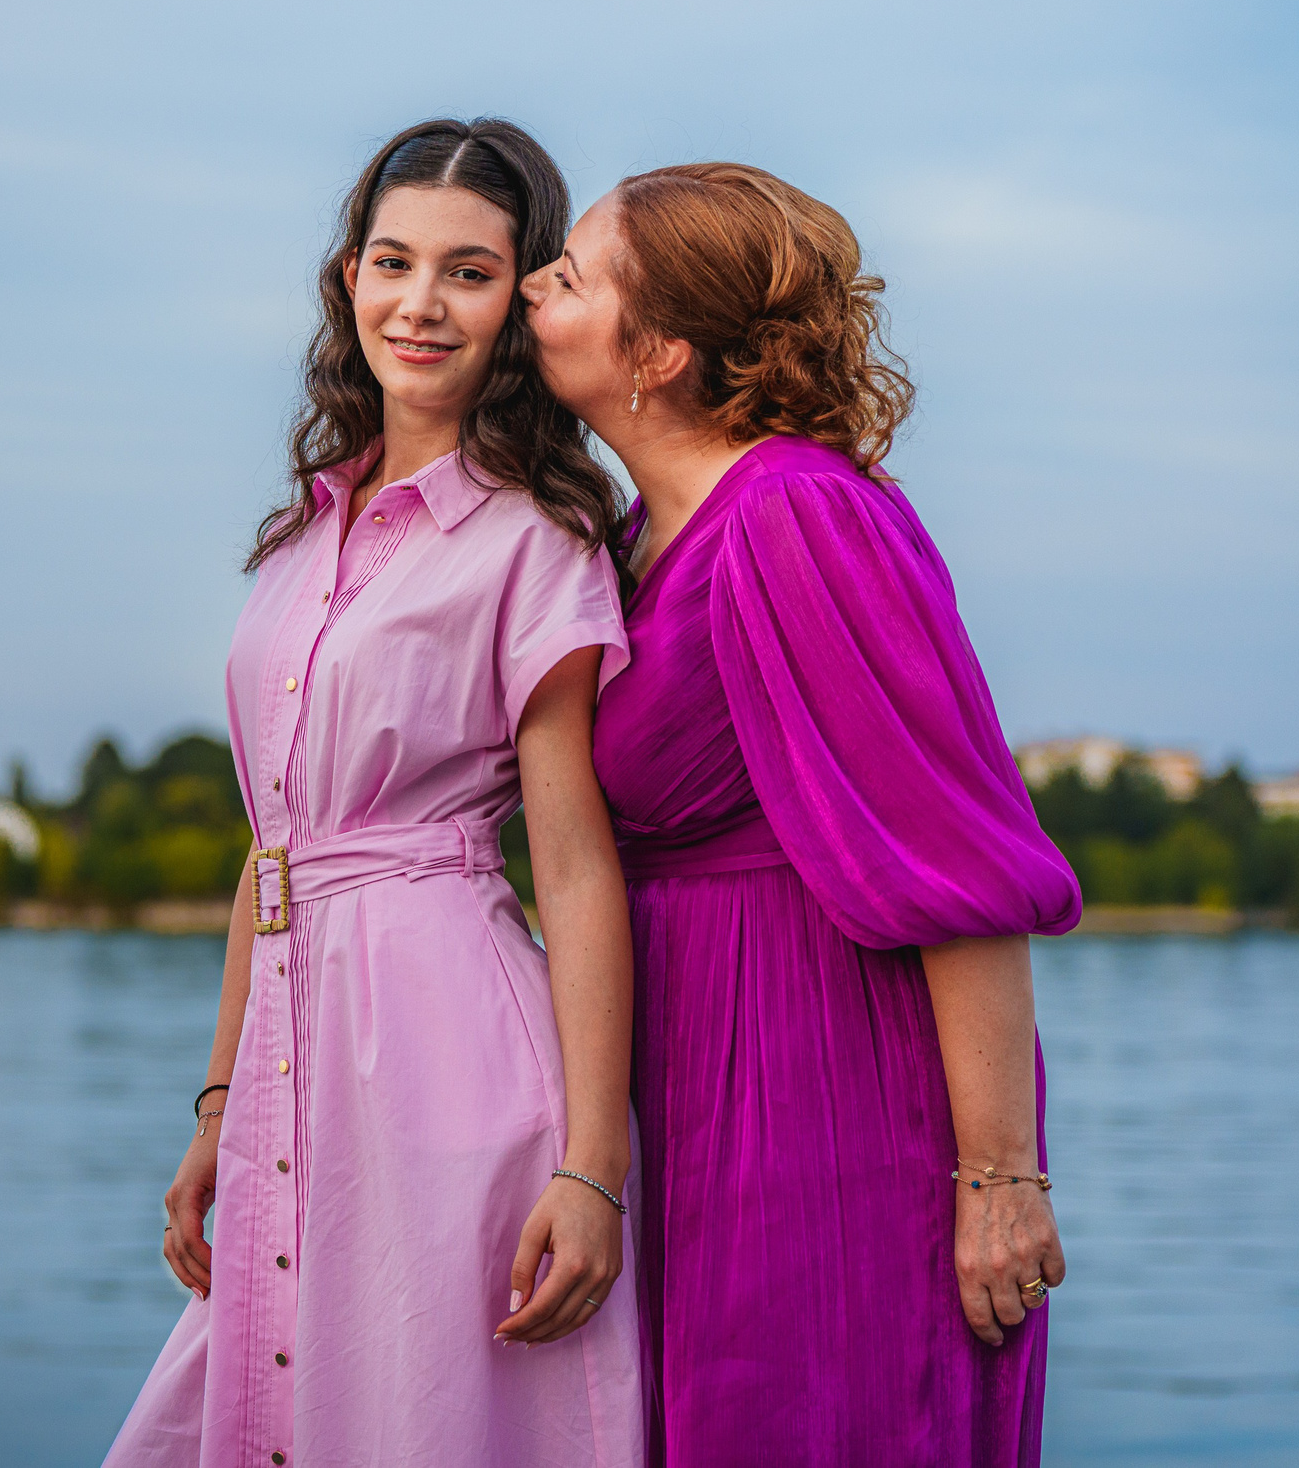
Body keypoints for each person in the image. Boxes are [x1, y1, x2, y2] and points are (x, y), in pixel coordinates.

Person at [101, 119, 645, 1468]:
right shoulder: (304, 531)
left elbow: (573, 869)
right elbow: (271, 848)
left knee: (415, 1416)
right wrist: (218, 1104)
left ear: (519, 300)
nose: (420, 303)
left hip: (446, 1050)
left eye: (468, 272)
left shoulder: (537, 537)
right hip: (294, 1042)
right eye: (394, 262)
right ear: (349, 278)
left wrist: (593, 1168)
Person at [518, 163, 1080, 1467]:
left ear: (653, 350)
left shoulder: (798, 514)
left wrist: (1000, 1178)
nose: (540, 283)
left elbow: (962, 861)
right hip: (691, 1072)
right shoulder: (630, 542)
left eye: (572, 273)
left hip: (816, 1091)